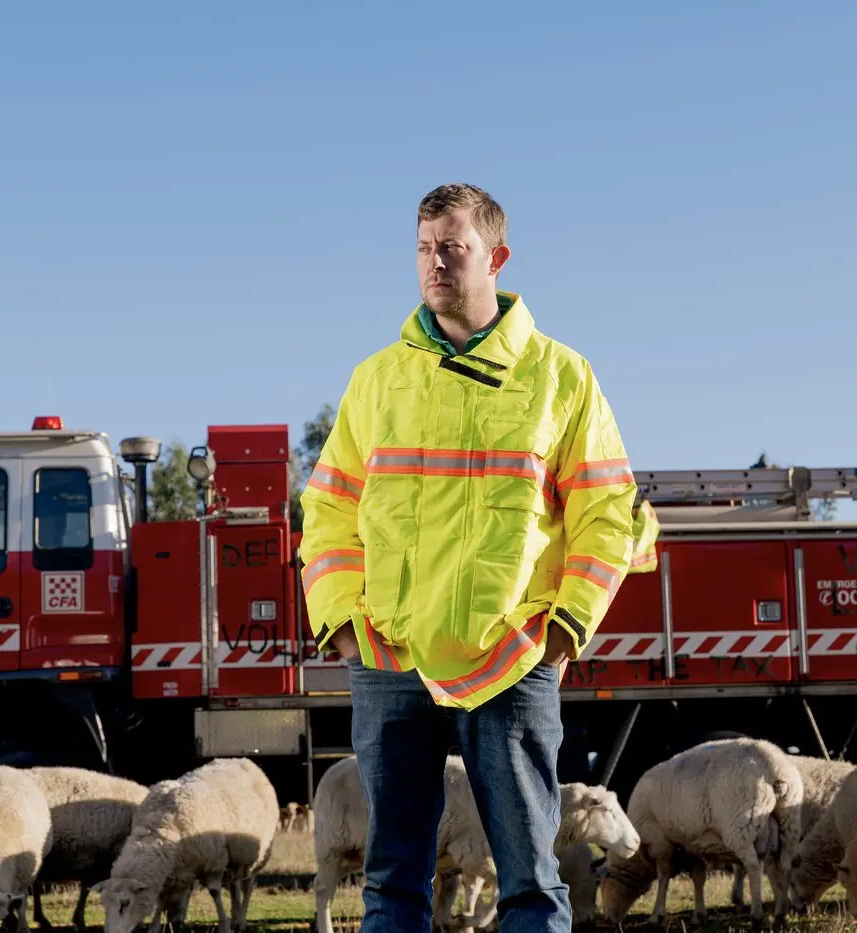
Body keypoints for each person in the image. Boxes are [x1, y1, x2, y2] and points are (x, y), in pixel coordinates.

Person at [299, 183, 645, 933]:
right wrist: (346, 622)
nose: (434, 264)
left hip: (511, 658)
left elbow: (605, 513)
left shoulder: (562, 377)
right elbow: (326, 509)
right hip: (392, 657)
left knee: (527, 878)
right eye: (423, 248)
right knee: (391, 882)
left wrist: (564, 626)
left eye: (451, 248)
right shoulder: (376, 379)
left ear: (496, 256)